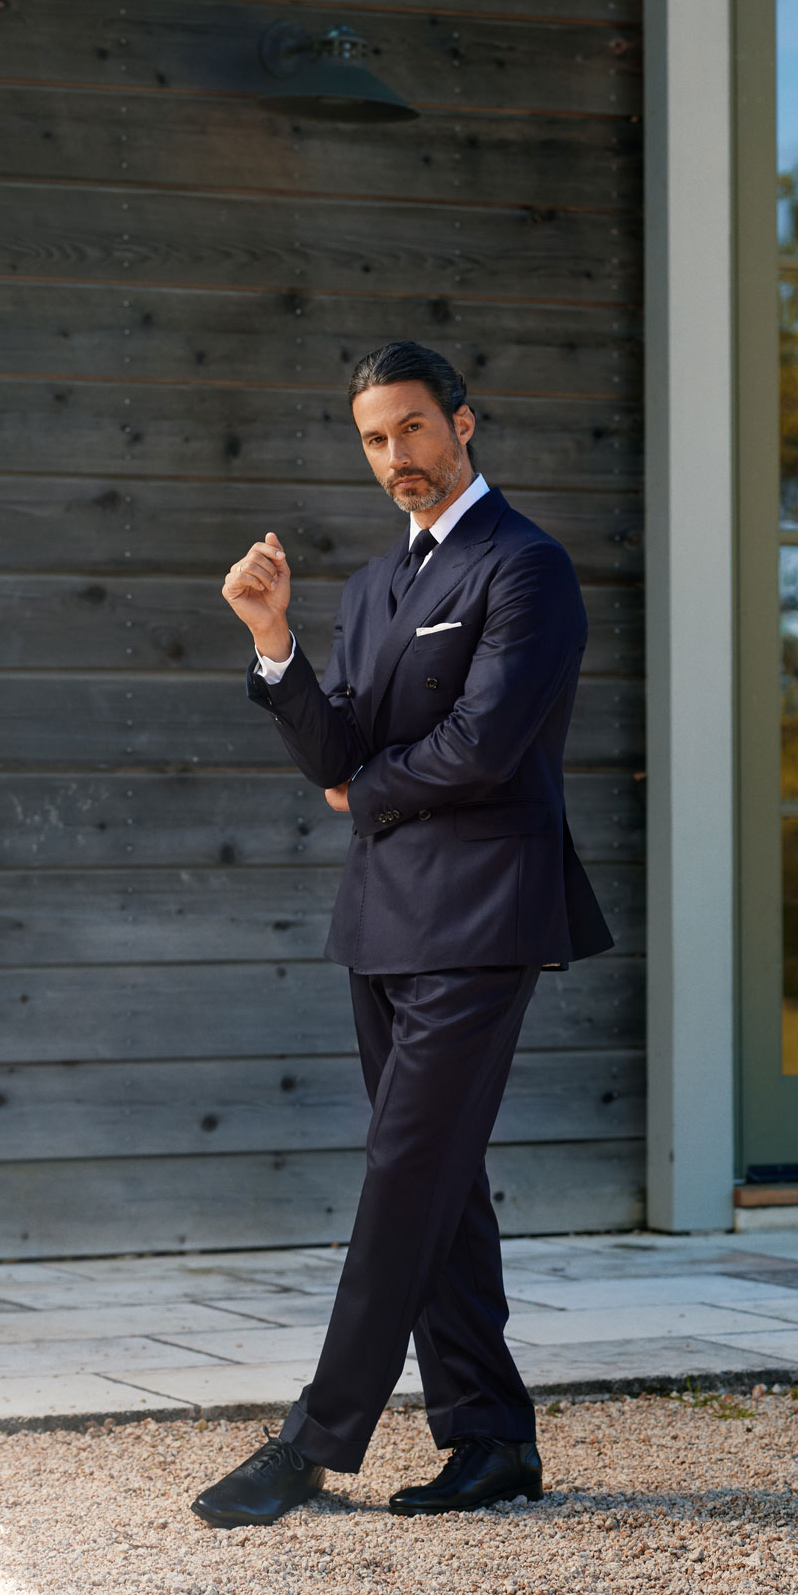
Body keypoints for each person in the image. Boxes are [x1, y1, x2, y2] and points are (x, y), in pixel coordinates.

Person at [191, 341, 612, 1528]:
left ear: (462, 423)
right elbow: (335, 747)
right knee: (439, 1180)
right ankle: (491, 1438)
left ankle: (312, 1440)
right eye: (375, 439)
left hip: (480, 914)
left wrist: (363, 789)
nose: (396, 457)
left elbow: (482, 745)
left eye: (414, 429)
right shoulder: (375, 585)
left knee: (402, 1175)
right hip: (381, 921)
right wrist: (275, 642)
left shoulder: (526, 566)